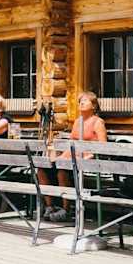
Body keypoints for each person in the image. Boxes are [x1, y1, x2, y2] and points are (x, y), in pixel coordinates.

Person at [36, 91, 106, 222]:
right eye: (80, 101)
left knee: (63, 171)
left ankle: (66, 209)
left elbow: (103, 146)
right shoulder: (77, 122)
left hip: (88, 161)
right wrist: (60, 156)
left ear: (94, 105)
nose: (81, 103)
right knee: (42, 169)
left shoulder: (98, 122)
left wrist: (87, 158)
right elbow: (71, 144)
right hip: (71, 158)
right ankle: (50, 206)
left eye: (85, 101)